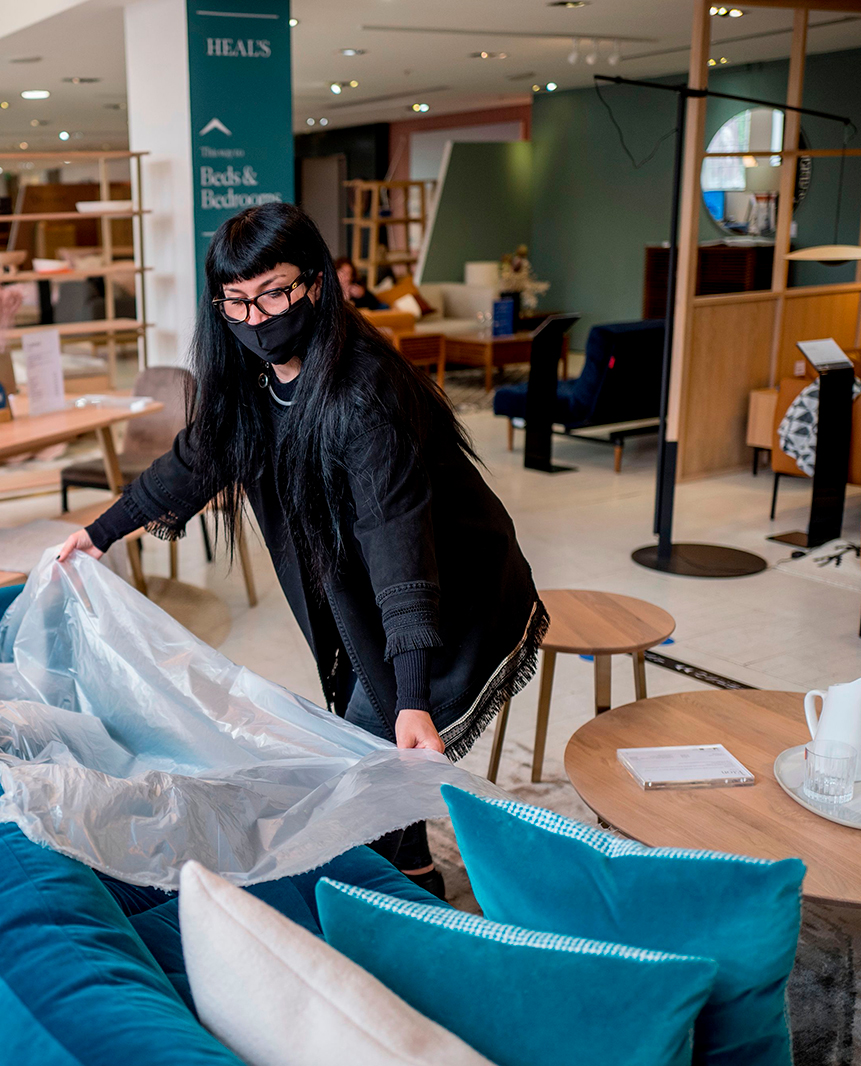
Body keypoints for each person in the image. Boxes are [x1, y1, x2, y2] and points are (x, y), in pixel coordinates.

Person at [58, 203, 545, 898]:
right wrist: (99, 533)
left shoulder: (362, 396)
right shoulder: (252, 383)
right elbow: (194, 459)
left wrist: (413, 699)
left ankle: (399, 899)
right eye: (236, 302)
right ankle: (413, 874)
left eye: (274, 293)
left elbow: (400, 550)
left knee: (364, 766)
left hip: (453, 591)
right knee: (365, 746)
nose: (255, 319)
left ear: (317, 284)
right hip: (367, 592)